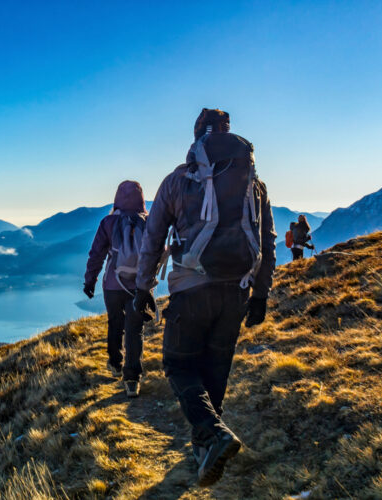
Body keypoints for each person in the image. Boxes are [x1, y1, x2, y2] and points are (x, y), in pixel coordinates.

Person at [132, 109, 276, 486]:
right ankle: (207, 450)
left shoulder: (179, 180)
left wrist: (144, 287)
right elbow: (268, 240)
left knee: (179, 366)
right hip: (237, 290)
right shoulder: (254, 184)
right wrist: (260, 293)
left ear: (197, 139)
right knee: (215, 370)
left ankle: (213, 437)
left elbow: (153, 238)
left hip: (191, 289)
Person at [83, 180, 147, 398]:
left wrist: (89, 281)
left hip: (113, 284)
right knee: (134, 329)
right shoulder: (148, 222)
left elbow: (96, 254)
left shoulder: (108, 222)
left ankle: (115, 363)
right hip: (139, 285)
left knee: (115, 323)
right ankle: (132, 379)